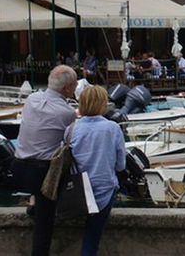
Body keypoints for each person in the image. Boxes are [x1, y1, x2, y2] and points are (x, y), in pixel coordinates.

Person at [10, 65, 78, 256]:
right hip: (41, 174)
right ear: (67, 89)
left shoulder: (31, 99)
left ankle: (33, 201)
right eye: (74, 84)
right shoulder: (67, 113)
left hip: (18, 166)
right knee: (44, 224)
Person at [69, 85, 125, 256]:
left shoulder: (71, 129)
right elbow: (121, 165)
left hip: (77, 191)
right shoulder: (112, 128)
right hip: (103, 190)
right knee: (91, 241)